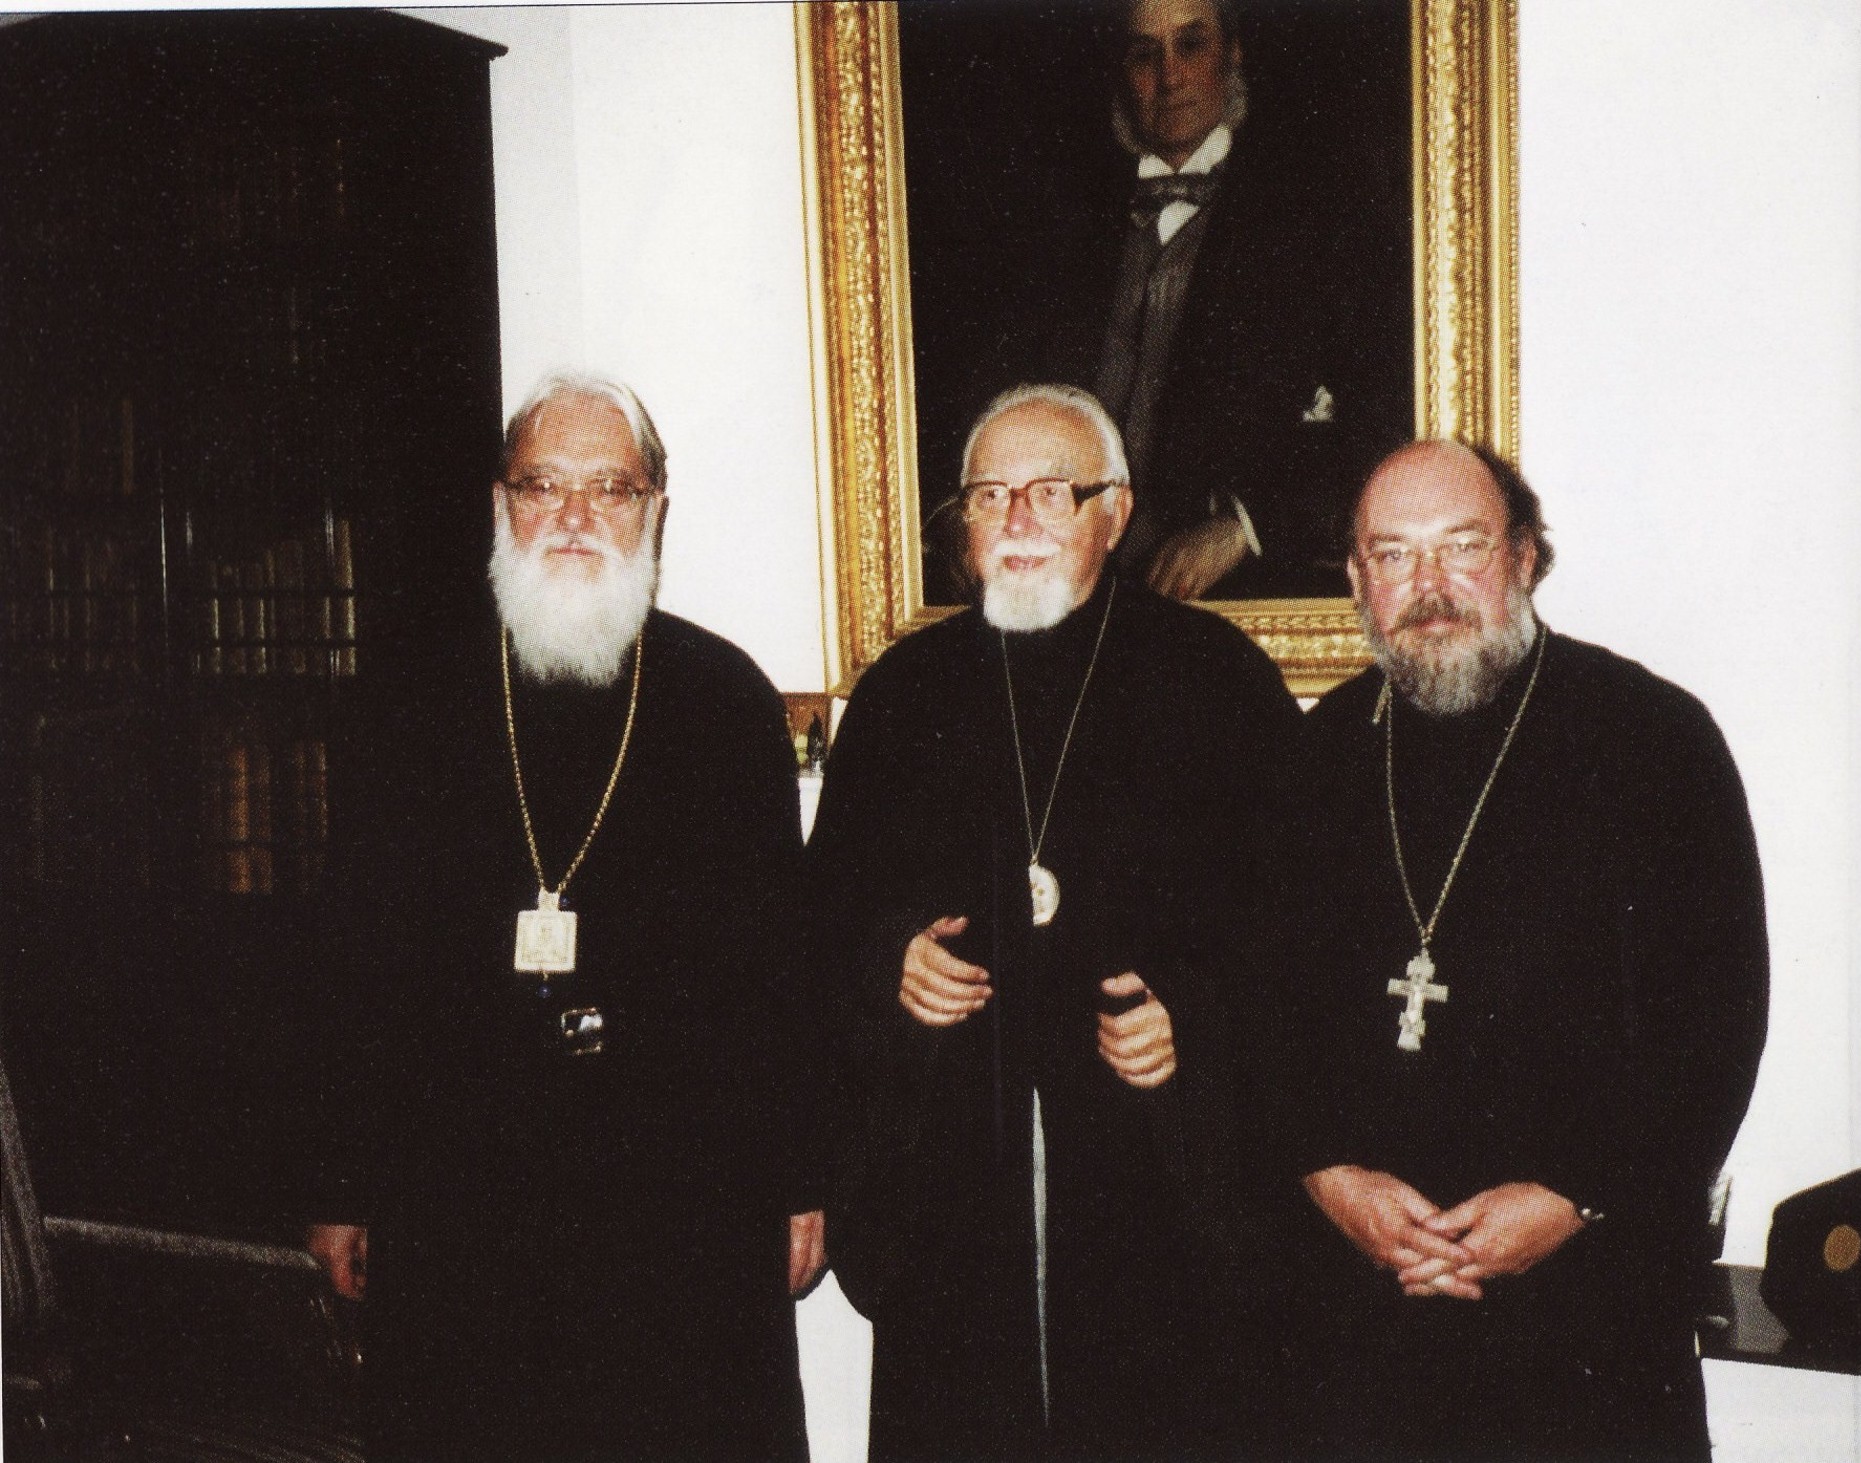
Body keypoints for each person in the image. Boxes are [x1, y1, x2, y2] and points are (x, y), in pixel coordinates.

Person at [303, 374, 823, 1462]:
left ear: (654, 508)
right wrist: (338, 1183)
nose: (577, 515)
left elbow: (781, 976)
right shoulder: (410, 697)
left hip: (680, 1192)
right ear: (501, 503)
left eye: (610, 488)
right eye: (544, 485)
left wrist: (798, 1181)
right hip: (461, 1183)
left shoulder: (724, 701)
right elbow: (352, 963)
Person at [807, 383, 1300, 1460]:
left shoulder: (1217, 681)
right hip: (950, 1165)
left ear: (1114, 514)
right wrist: (891, 959)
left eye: (1050, 492)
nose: (1018, 518)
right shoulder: (902, 691)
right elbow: (821, 916)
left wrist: (1192, 1016)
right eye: (990, 495)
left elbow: (1294, 927)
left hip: (1157, 1172)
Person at [1253, 440, 1769, 1461]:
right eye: (1392, 555)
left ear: (1524, 557)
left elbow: (1715, 1020)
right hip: (1355, 1312)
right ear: (1356, 578)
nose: (1428, 585)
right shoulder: (1314, 758)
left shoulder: (1652, 740)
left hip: (1584, 1312)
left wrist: (1577, 1194)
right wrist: (1325, 1176)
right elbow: (1258, 1009)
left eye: (1462, 547)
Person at [907, 0, 1411, 602]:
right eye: (1145, 53)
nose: (1170, 77)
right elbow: (970, 389)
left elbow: (1385, 415)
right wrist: (956, 517)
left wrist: (1246, 526)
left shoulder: (1314, 217)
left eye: (1191, 45)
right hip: (1053, 580)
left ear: (1232, 54)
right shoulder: (1057, 214)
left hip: (1225, 592)